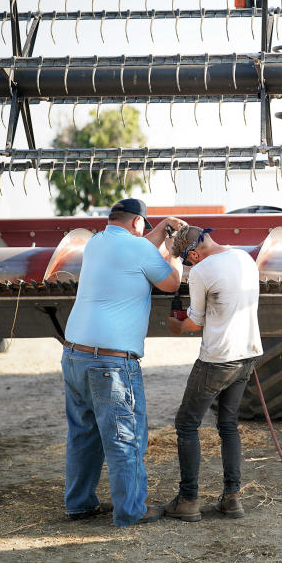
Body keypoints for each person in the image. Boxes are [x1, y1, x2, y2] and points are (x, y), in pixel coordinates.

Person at [60, 198, 185, 526]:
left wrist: (157, 230)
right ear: (137, 224)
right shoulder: (140, 250)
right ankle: (130, 510)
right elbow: (171, 282)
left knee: (83, 434)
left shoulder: (96, 243)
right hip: (111, 364)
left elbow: (136, 247)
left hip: (74, 355)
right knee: (125, 437)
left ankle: (79, 504)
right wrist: (173, 251)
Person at [165, 224, 263, 522]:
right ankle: (232, 498)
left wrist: (176, 325)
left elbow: (194, 322)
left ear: (194, 252)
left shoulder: (200, 272)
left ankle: (189, 500)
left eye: (186, 260)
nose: (188, 265)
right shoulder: (245, 258)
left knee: (186, 424)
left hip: (217, 359)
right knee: (228, 424)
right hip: (247, 355)